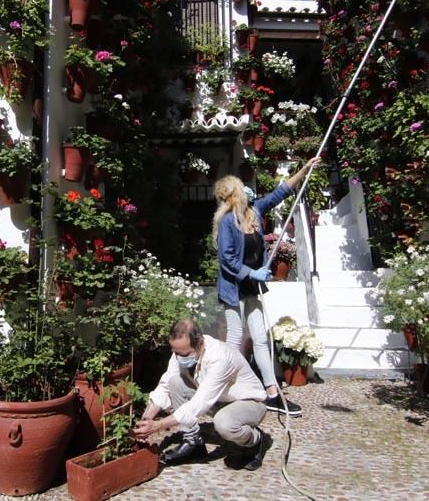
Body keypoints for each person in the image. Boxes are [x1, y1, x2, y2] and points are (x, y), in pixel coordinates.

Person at [212, 157, 321, 416]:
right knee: (236, 337)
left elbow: (280, 192)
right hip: (234, 287)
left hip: (252, 287)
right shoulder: (228, 221)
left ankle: (272, 392)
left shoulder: (255, 212)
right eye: (242, 188)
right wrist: (252, 272)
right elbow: (226, 259)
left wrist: (304, 169)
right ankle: (222, 387)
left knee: (261, 338)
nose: (248, 191)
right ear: (235, 194)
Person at [133, 319, 272, 470]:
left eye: (185, 353)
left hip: (249, 402)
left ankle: (255, 440)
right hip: (217, 399)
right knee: (175, 382)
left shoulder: (220, 357)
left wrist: (158, 425)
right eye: (176, 353)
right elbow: (165, 385)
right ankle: (193, 443)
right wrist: (146, 420)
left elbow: (200, 403)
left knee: (224, 423)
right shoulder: (181, 351)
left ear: (199, 343)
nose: (180, 358)